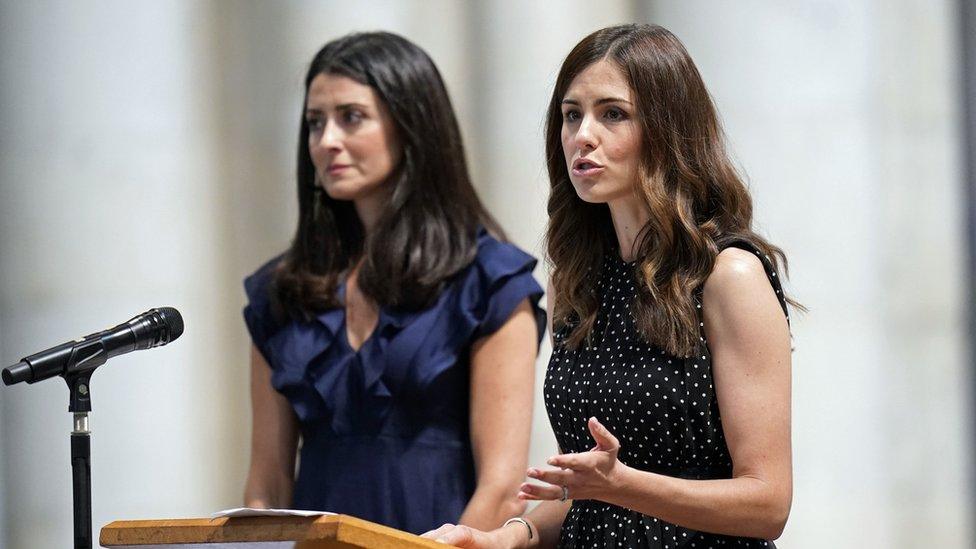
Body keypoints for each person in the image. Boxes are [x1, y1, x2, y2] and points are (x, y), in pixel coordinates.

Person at [423, 24, 796, 548]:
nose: (583, 135)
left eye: (612, 114)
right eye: (571, 115)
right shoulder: (575, 282)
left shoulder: (727, 275)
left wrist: (622, 485)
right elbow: (588, 491)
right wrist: (512, 535)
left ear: (668, 128)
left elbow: (767, 502)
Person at [241, 31, 546, 535]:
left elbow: (502, 486)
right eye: (315, 123)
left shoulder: (490, 281)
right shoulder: (282, 291)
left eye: (351, 117)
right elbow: (266, 484)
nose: (326, 140)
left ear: (411, 126)